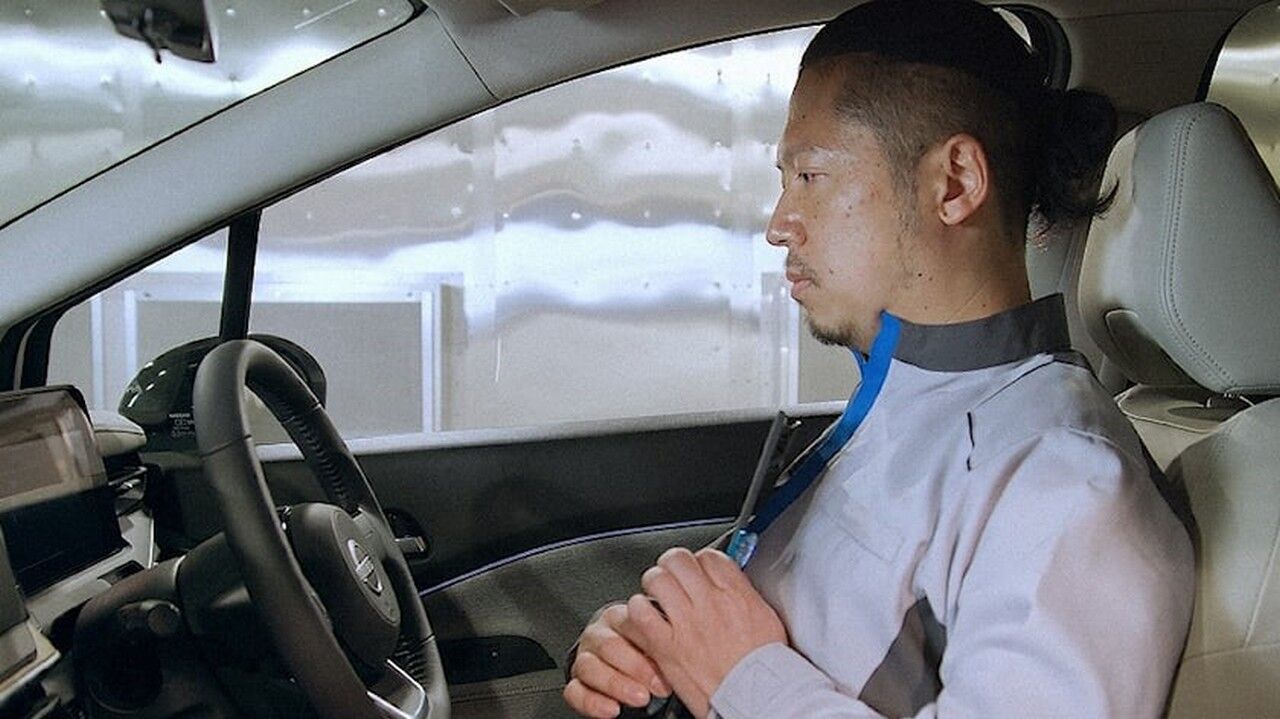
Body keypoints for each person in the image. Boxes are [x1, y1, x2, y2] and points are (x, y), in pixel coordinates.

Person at [563, 1, 1196, 717]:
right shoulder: (909, 408)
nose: (779, 224)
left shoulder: (1067, 485)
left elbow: (747, 668)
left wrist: (742, 676)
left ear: (954, 183)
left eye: (810, 176)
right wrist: (648, 648)